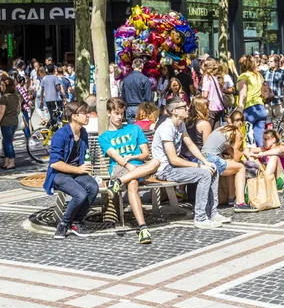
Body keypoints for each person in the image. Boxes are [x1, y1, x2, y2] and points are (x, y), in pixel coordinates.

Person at [151, 97, 222, 229]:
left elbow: (190, 144)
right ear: (175, 111)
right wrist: (200, 166)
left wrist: (205, 161)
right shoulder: (166, 127)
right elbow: (173, 159)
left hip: (175, 167)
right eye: (184, 107)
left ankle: (212, 213)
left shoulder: (180, 124)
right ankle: (200, 218)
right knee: (204, 174)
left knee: (213, 168)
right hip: (165, 170)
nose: (188, 108)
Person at [99, 97, 160, 244]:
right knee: (132, 183)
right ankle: (143, 228)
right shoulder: (104, 137)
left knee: (156, 162)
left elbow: (146, 154)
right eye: (116, 113)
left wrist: (133, 156)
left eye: (121, 113)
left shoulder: (134, 129)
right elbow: (117, 157)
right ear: (108, 113)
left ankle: (117, 183)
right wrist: (131, 166)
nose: (119, 117)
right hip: (120, 168)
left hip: (138, 166)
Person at [44, 101, 98, 239]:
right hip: (60, 174)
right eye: (85, 113)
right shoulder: (60, 135)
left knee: (93, 187)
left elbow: (84, 156)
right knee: (80, 194)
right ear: (74, 116)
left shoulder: (83, 132)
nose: (88, 116)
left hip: (77, 172)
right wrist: (78, 169)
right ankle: (64, 224)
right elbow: (55, 164)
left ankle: (77, 222)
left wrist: (87, 169)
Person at [202, 111, 255, 210]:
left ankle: (231, 197)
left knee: (232, 164)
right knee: (241, 168)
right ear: (243, 122)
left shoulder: (222, 128)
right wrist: (244, 152)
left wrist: (235, 157)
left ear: (229, 120)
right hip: (212, 159)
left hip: (203, 158)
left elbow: (227, 148)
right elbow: (236, 157)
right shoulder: (237, 133)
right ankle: (240, 203)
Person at [237, 55, 267, 147]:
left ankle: (250, 159)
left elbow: (243, 94)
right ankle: (266, 158)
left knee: (248, 139)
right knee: (260, 138)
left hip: (249, 109)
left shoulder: (243, 76)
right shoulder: (259, 75)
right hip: (261, 107)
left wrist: (239, 111)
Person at [0, 77, 20, 170]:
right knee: (6, 141)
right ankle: (7, 162)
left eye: (2, 85)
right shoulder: (15, 96)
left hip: (6, 122)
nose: (1, 87)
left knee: (7, 142)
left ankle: (11, 162)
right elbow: (18, 110)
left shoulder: (4, 98)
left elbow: (1, 111)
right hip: (14, 121)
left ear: (6, 86)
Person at [120, 58, 152, 123]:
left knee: (131, 131)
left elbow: (123, 94)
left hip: (129, 108)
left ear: (132, 66)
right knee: (141, 130)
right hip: (141, 107)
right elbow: (148, 97)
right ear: (142, 66)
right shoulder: (145, 79)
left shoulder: (125, 79)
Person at [264, 55, 284, 123]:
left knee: (280, 123)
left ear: (276, 63)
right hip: (268, 102)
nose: (268, 63)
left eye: (271, 61)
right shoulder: (265, 73)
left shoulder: (282, 73)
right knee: (267, 123)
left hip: (278, 102)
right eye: (268, 61)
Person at [201, 59, 225, 129]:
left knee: (208, 129)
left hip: (210, 107)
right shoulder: (217, 77)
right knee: (216, 130)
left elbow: (205, 95)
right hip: (219, 107)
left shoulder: (207, 77)